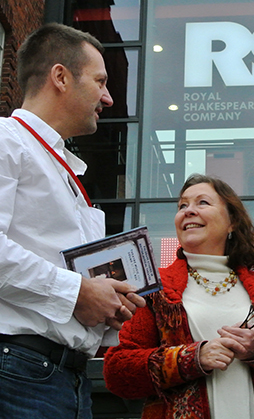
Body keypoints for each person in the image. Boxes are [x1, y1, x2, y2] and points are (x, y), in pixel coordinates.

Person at [0, 23, 145, 419]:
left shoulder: (56, 162)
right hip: (20, 371)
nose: (109, 98)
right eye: (100, 81)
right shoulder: (6, 140)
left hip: (60, 376)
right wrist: (78, 293)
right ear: (60, 77)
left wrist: (104, 304)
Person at [103, 174, 254, 419]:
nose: (189, 211)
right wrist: (191, 358)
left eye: (202, 202)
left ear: (232, 222)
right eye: (182, 205)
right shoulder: (154, 287)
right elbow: (117, 372)